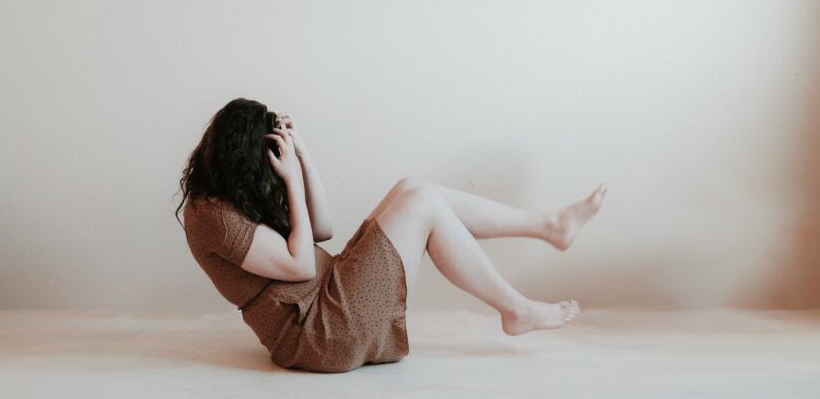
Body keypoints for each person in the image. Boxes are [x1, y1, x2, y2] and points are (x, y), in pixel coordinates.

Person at [175, 98, 606, 373]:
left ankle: (548, 226)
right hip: (321, 335)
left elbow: (321, 230)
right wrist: (288, 181)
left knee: (412, 189)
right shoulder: (211, 215)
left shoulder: (231, 195)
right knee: (420, 203)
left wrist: (302, 155)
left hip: (329, 297)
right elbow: (301, 263)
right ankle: (518, 308)